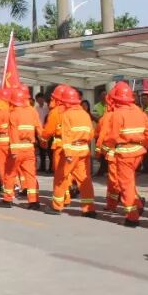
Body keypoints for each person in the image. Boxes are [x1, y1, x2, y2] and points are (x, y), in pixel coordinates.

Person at [103, 81, 148, 227]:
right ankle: (137, 204)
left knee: (125, 184)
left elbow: (112, 136)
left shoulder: (117, 114)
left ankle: (132, 217)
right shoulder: (139, 112)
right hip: (138, 152)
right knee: (130, 181)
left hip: (124, 153)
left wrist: (105, 148)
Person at [46, 87, 95, 216]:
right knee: (84, 179)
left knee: (60, 177)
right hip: (83, 150)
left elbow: (66, 135)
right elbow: (91, 134)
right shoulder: (85, 114)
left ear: (66, 102)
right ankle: (89, 209)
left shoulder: (67, 114)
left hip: (71, 152)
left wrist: (67, 152)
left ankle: (56, 207)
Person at [2, 88, 41, 209]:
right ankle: (33, 201)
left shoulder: (13, 114)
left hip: (17, 148)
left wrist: (14, 150)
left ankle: (7, 200)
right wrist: (43, 141)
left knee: (10, 174)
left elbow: (13, 133)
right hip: (29, 148)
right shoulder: (32, 112)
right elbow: (39, 128)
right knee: (30, 175)